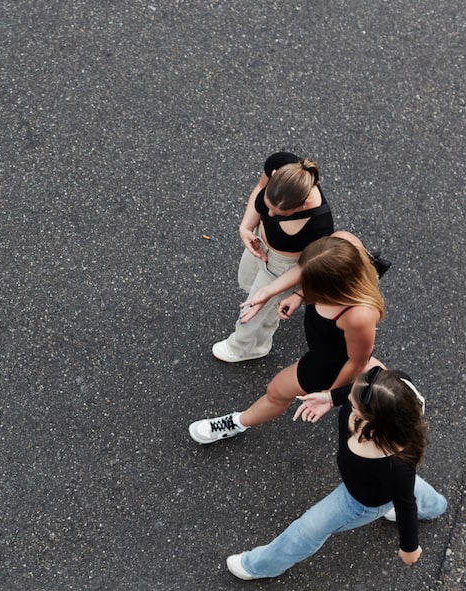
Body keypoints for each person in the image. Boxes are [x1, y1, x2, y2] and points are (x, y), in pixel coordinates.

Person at [226, 367, 448, 579]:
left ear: (375, 419)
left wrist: (409, 548)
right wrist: (331, 398)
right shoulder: (392, 391)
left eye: (353, 404)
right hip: (376, 481)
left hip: (361, 501)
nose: (349, 401)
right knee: (407, 488)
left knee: (307, 530)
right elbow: (356, 390)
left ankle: (258, 566)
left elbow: (405, 503)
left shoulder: (395, 465)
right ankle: (436, 506)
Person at [190, 232, 382, 443]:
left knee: (276, 391)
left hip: (329, 362)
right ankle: (393, 398)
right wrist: (277, 292)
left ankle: (237, 422)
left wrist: (329, 395)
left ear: (331, 286)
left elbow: (356, 361)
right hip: (337, 347)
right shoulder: (343, 243)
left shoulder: (358, 316)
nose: (302, 280)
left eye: (310, 282)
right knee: (373, 378)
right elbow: (305, 267)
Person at [212, 152, 333, 363]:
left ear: (304, 204)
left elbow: (313, 264)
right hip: (259, 244)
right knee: (248, 284)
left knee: (255, 311)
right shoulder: (281, 164)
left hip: (283, 267)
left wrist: (297, 293)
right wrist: (246, 227)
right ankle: (262, 322)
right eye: (267, 206)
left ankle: (246, 347)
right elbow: (260, 187)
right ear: (275, 175)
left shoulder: (319, 225)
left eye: (279, 213)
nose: (268, 215)